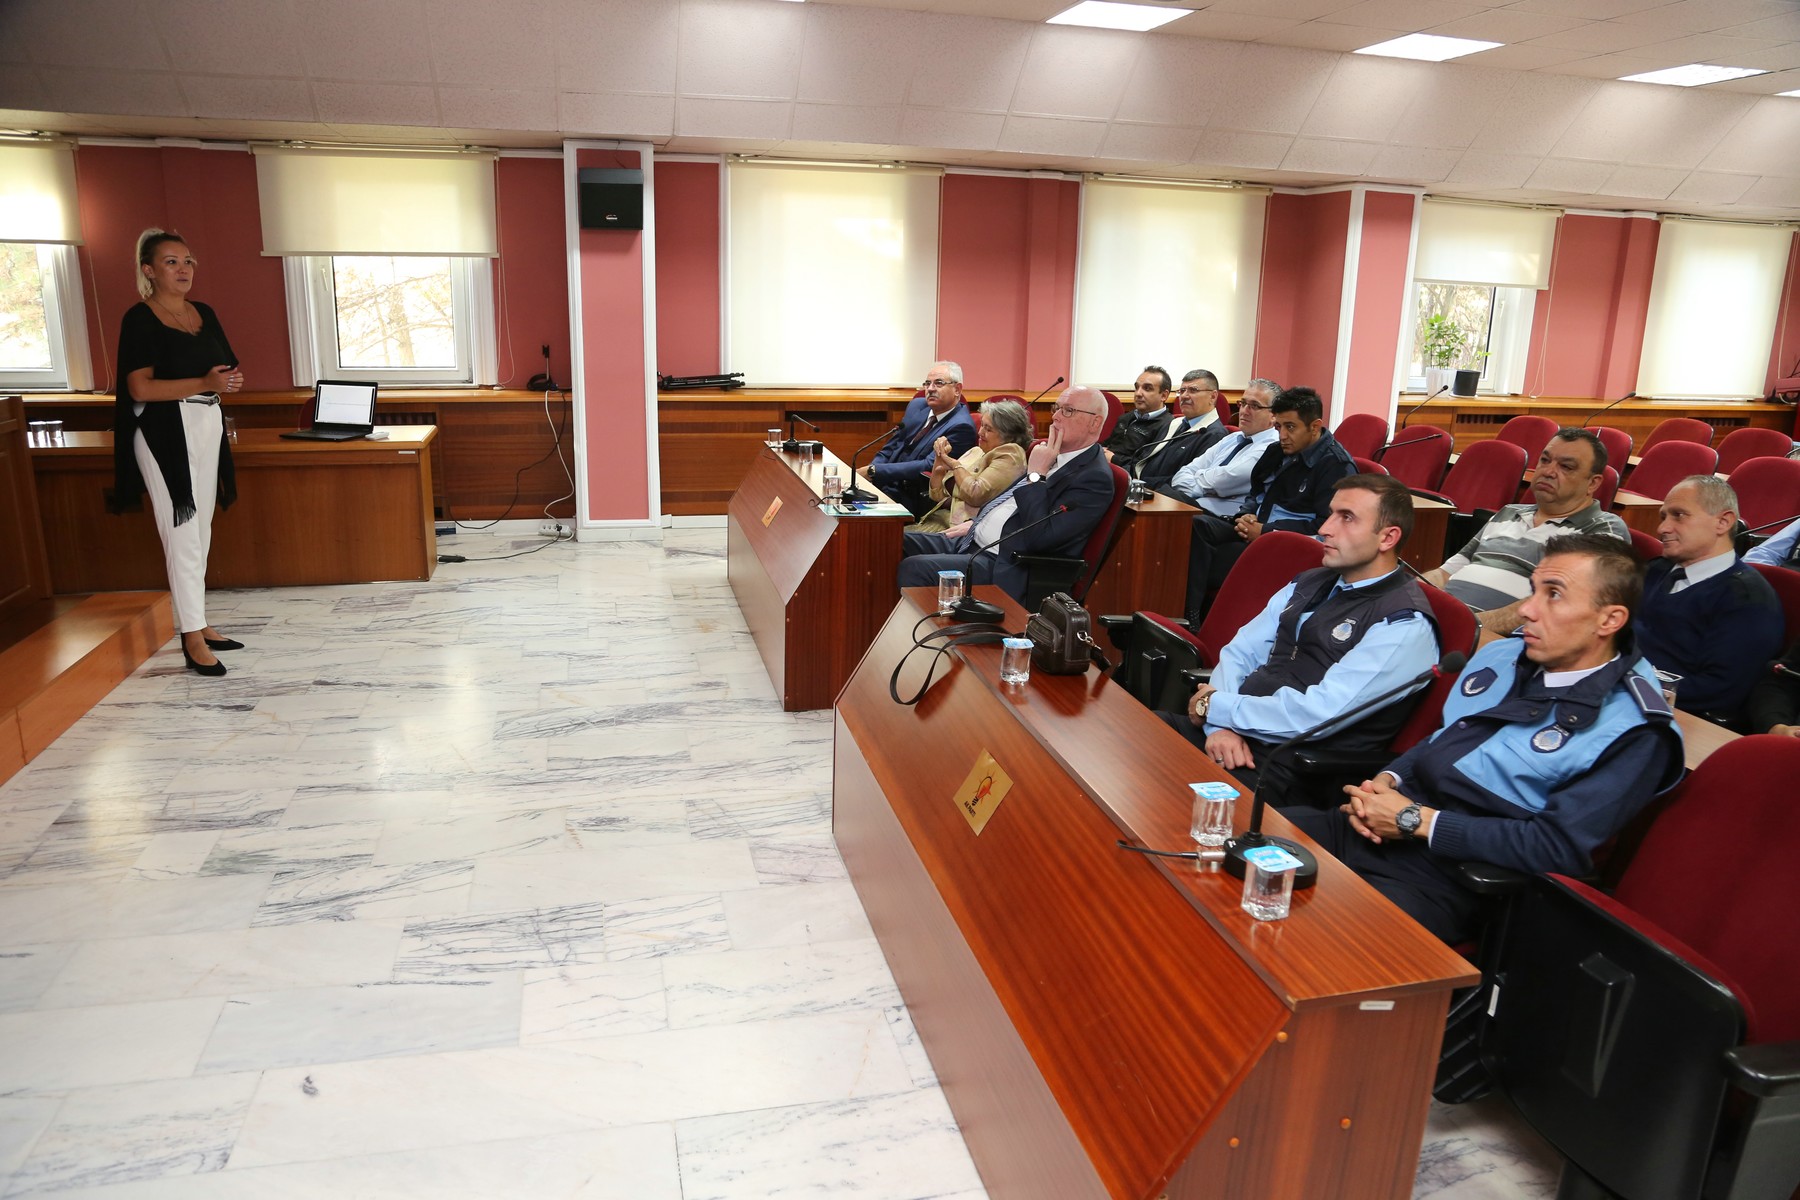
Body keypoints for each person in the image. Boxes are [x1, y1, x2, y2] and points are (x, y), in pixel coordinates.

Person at [1283, 534, 1684, 944]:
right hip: (1370, 828)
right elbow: (1445, 740)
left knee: (1311, 943)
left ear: (1609, 620)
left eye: (1553, 595)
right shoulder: (1505, 657)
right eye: (1533, 590)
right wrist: (1387, 781)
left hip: (1444, 878)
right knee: (1246, 844)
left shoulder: (1635, 729)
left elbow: (1556, 847)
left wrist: (1415, 821)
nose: (1526, 609)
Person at [1162, 474, 1440, 806]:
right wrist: (1219, 726)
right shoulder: (1312, 581)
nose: (1325, 528)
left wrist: (1217, 707)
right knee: (1125, 739)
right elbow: (1240, 652)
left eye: (1346, 518)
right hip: (1229, 734)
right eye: (1331, 513)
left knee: (1164, 803)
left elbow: (1317, 715)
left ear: (1387, 537)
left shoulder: (1404, 624)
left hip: (1285, 768)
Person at [110, 229, 246, 678]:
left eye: (188, 261)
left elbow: (223, 367)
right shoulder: (140, 318)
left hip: (206, 421)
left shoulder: (202, 312)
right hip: (164, 429)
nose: (184, 269)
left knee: (200, 530)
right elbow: (139, 388)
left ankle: (198, 620)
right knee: (183, 532)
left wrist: (224, 382)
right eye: (171, 262)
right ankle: (190, 636)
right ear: (148, 270)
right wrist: (206, 382)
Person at [897, 385, 1115, 602]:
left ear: (1095, 422)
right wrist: (978, 522)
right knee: (893, 540)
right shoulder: (1050, 453)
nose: (1056, 416)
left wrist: (1036, 476)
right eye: (1056, 408)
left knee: (914, 568)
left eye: (1068, 411)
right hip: (971, 540)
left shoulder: (1094, 479)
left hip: (1005, 564)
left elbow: (1042, 537)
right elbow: (1009, 503)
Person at [1425, 428, 1627, 636]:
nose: (1548, 471)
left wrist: (1463, 626)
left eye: (1566, 467)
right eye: (1545, 460)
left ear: (1593, 483)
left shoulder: (1602, 530)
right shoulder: (1508, 512)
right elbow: (1445, 573)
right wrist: (1411, 596)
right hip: (1444, 625)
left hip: (1497, 640)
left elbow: (1554, 603)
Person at [1182, 386, 1355, 624]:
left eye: (1290, 427)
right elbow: (1256, 492)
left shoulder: (1336, 466)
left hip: (1289, 544)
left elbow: (1327, 526)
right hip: (1256, 529)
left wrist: (1266, 531)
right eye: (1278, 427)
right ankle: (1188, 614)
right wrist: (1246, 514)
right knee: (1196, 526)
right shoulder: (1276, 451)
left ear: (1315, 427)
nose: (1282, 435)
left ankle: (1200, 621)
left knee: (1209, 560)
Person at [1634, 476, 1784, 726]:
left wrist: (1624, 683)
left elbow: (1718, 690)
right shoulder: (1656, 569)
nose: (1662, 528)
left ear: (1723, 522)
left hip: (1667, 719)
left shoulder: (1748, 601)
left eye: (1679, 515)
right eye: (1663, 517)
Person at [865, 361, 977, 519]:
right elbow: (892, 445)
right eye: (927, 383)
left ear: (957, 389)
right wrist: (872, 471)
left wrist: (875, 472)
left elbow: (928, 465)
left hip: (911, 496)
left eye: (938, 383)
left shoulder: (961, 426)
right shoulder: (917, 406)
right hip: (885, 482)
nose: (930, 389)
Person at [908, 398, 1031, 534]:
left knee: (895, 539)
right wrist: (940, 457)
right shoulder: (976, 451)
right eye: (982, 425)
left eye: (988, 429)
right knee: (892, 534)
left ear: (1009, 436)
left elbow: (975, 493)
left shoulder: (1010, 455)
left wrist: (954, 464)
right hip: (937, 519)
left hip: (960, 530)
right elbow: (937, 495)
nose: (980, 432)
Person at [1158, 377, 1278, 510]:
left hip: (1219, 516)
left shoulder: (1273, 446)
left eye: (1254, 406)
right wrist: (1206, 488)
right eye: (1243, 403)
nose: (1244, 411)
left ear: (1274, 415)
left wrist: (1198, 481)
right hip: (1193, 505)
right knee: (1156, 499)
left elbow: (1225, 480)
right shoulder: (1233, 438)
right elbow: (1184, 472)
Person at [1134, 369, 1232, 493]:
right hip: (1142, 488)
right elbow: (1145, 459)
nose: (1184, 396)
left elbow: (1188, 481)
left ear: (1212, 397)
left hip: (1164, 497)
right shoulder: (1175, 423)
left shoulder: (1214, 435)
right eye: (1182, 390)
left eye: (1193, 390)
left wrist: (1141, 482)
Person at [1102, 365, 1174, 468]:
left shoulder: (1168, 427)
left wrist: (1114, 459)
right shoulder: (1127, 417)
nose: (1138, 393)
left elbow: (1146, 466)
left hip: (1126, 474)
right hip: (1106, 466)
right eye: (1137, 387)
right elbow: (1108, 444)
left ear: (1163, 396)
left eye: (1147, 388)